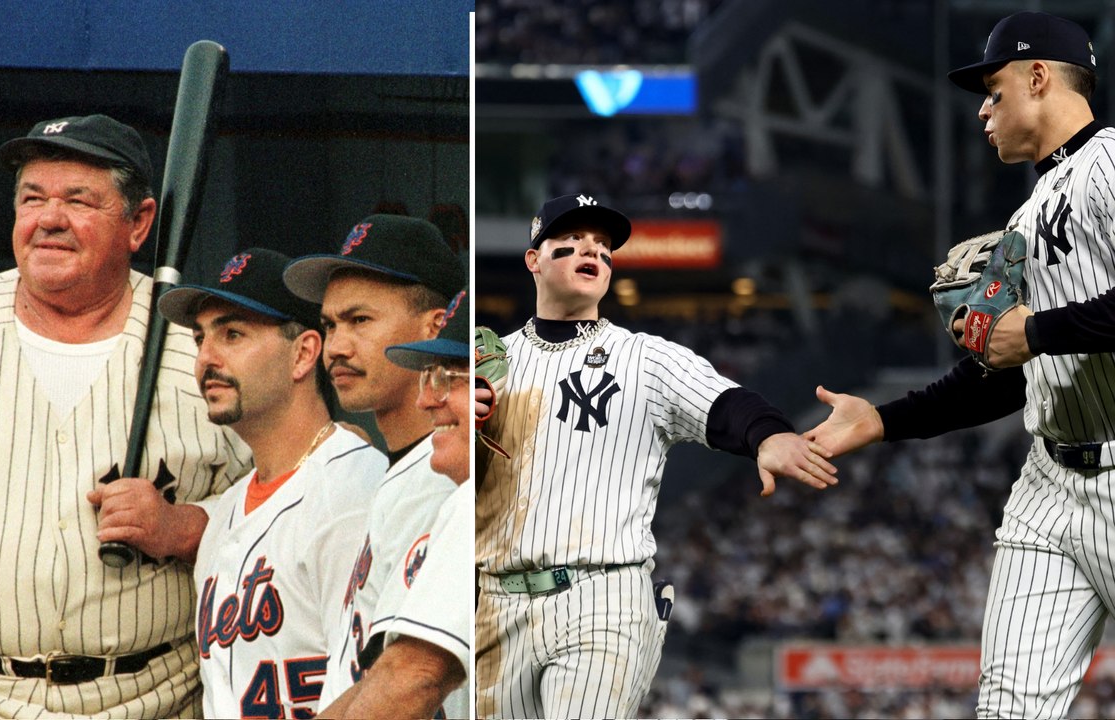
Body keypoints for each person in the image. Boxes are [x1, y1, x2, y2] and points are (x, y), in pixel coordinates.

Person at [0, 114, 251, 718]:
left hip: (157, 695)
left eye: (78, 200)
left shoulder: (196, 342)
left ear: (138, 223)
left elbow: (283, 505)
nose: (48, 218)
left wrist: (187, 527)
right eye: (32, 198)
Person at [806, 11, 1115, 719]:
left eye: (994, 88)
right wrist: (883, 420)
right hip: (1049, 486)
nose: (982, 107)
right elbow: (1001, 373)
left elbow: (1031, 340)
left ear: (1039, 77)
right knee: (1007, 708)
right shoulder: (1029, 214)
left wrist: (1036, 330)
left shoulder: (1111, 164)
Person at [473, 193, 839, 719]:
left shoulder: (643, 357)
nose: (591, 250)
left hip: (601, 595)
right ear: (534, 259)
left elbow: (725, 401)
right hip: (495, 602)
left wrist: (767, 435)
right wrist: (460, 423)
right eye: (571, 241)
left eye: (602, 245)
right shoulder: (489, 363)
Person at [155, 247, 385, 718]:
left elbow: (377, 690)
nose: (205, 358)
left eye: (232, 334)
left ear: (303, 354)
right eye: (201, 338)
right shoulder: (228, 511)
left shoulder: (353, 491)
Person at [282, 214, 470, 718]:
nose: (336, 347)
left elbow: (410, 681)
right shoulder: (409, 472)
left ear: (436, 325)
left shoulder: (449, 479)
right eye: (330, 325)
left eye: (360, 321)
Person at [319, 286, 473, 718]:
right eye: (429, 376)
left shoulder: (476, 497)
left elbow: (413, 677)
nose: (427, 399)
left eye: (451, 377)